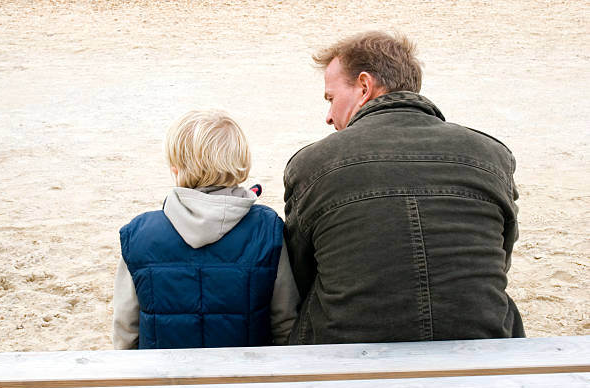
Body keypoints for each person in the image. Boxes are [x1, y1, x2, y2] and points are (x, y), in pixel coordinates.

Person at [283, 31, 525, 344]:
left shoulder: (312, 164)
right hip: (479, 342)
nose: (329, 116)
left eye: (331, 98)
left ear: (364, 87)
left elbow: (301, 274)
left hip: (349, 352)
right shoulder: (491, 155)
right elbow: (500, 257)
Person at [113, 110, 299, 349]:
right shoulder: (267, 229)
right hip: (248, 380)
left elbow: (126, 329)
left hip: (166, 382)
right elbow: (285, 320)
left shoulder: (139, 234)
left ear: (176, 167)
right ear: (239, 162)